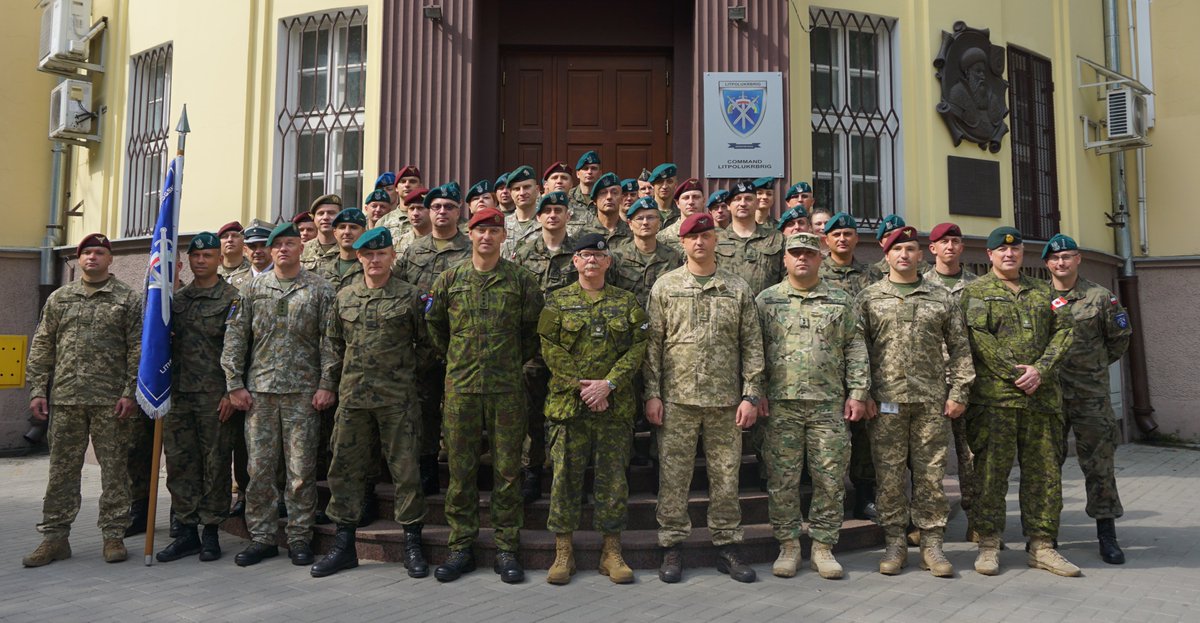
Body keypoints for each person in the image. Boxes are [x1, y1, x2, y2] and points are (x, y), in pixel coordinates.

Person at [644, 213, 764, 584]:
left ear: (716, 240)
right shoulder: (665, 287)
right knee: (674, 476)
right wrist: (652, 393)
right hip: (677, 399)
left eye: (706, 236)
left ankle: (727, 545)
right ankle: (672, 546)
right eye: (692, 237)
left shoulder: (737, 288)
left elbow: (752, 345)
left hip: (726, 401)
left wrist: (751, 395)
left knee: (726, 477)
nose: (700, 242)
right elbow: (653, 348)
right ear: (682, 243)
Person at [426, 207, 543, 584]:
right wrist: (456, 360)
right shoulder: (450, 279)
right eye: (480, 230)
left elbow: (532, 332)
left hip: (506, 388)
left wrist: (509, 361)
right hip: (461, 389)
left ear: (503, 237)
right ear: (469, 234)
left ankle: (506, 547)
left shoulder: (521, 281)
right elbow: (436, 327)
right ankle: (460, 546)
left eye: (494, 231)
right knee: (460, 471)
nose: (487, 237)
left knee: (508, 470)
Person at [311, 227, 433, 579]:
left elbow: (427, 345)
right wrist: (329, 386)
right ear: (359, 257)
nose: (374, 260)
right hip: (353, 399)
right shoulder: (344, 297)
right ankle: (344, 545)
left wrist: (404, 373)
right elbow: (333, 346)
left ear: (393, 256)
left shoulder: (411, 296)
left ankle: (412, 543)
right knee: (344, 470)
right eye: (368, 254)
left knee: (406, 471)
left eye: (381, 253)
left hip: (398, 400)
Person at [856, 226, 975, 577]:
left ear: (921, 255)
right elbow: (858, 351)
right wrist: (864, 394)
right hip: (886, 403)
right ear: (887, 255)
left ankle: (932, 545)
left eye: (910, 249)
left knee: (930, 476)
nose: (904, 255)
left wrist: (958, 393)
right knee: (890, 477)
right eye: (897, 250)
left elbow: (960, 349)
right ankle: (894, 543)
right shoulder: (869, 297)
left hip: (931, 404)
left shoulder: (942, 298)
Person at [962, 226, 1078, 577]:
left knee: (1043, 475)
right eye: (1001, 250)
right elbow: (978, 339)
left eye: (1015, 250)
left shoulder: (1047, 291)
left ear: (1023, 253)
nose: (1009, 254)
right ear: (990, 255)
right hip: (995, 401)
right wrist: (1016, 375)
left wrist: (1040, 370)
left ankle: (1042, 546)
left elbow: (1066, 330)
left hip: (1041, 401)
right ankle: (987, 544)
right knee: (990, 475)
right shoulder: (976, 292)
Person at [221, 222, 338, 568]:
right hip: (260, 393)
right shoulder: (251, 290)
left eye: (290, 243)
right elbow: (235, 338)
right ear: (270, 252)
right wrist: (234, 384)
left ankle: (300, 537)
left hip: (303, 392)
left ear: (301, 248)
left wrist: (327, 383)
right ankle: (262, 537)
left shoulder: (321, 290)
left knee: (301, 470)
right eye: (278, 245)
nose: (284, 249)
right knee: (259, 470)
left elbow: (330, 342)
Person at [23, 233, 141, 567]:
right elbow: (43, 344)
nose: (92, 257)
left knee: (115, 470)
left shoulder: (126, 299)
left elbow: (137, 349)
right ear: (78, 259)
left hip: (110, 401)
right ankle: (55, 538)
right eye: (87, 252)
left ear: (110, 259)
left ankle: (114, 535)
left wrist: (128, 392)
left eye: (99, 252)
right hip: (65, 399)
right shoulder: (61, 298)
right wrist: (37, 390)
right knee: (61, 471)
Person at [756, 232, 868, 580]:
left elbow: (855, 347)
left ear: (820, 258)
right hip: (780, 405)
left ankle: (823, 546)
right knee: (782, 480)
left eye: (808, 253)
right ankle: (788, 545)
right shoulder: (766, 301)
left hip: (828, 405)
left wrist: (859, 392)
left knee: (830, 479)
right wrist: (754, 391)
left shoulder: (839, 300)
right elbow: (753, 351)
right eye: (795, 254)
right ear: (784, 260)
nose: (802, 259)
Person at [538, 233, 648, 585]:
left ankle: (611, 551)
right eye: (584, 255)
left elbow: (638, 347)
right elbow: (548, 347)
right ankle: (563, 552)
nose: (591, 261)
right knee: (564, 479)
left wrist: (608, 385)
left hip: (613, 407)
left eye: (597, 256)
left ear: (608, 262)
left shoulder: (627, 302)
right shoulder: (556, 302)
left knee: (613, 480)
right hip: (569, 406)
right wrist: (584, 388)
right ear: (574, 261)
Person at [1043, 233, 1132, 565]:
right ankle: (1045, 534)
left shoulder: (1100, 298)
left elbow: (1119, 340)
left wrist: (1091, 367)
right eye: (1055, 259)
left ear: (1078, 259)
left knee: (1099, 465)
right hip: (1049, 396)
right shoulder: (1038, 298)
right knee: (1046, 466)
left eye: (1067, 256)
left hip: (1090, 396)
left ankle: (1106, 534)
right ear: (1047, 264)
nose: (1061, 263)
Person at [155, 232, 238, 563]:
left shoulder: (233, 298)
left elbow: (238, 348)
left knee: (215, 464)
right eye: (195, 256)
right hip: (179, 395)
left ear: (220, 258)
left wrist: (233, 390)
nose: (201, 260)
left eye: (208, 255)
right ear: (188, 260)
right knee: (180, 465)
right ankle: (186, 530)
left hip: (214, 397)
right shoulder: (177, 300)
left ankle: (211, 532)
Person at [395, 182, 472, 494]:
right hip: (423, 346)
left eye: (449, 207)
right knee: (424, 410)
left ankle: (459, 470)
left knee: (460, 411)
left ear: (459, 211)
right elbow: (398, 291)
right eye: (437, 206)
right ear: (428, 211)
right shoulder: (414, 250)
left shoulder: (470, 248)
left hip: (460, 346)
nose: (442, 212)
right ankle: (427, 469)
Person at [819, 211, 884, 519]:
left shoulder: (872, 276)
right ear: (826, 240)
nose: (842, 239)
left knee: (863, 434)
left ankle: (864, 494)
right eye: (836, 234)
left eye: (848, 234)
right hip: (827, 366)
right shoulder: (815, 273)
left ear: (857, 239)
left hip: (863, 362)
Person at [514, 190, 578, 502]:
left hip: (569, 349)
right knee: (532, 413)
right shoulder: (523, 253)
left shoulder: (579, 253)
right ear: (538, 217)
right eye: (547, 210)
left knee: (567, 414)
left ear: (568, 215)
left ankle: (563, 476)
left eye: (558, 210)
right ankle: (532, 471)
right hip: (532, 348)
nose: (552, 215)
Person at [924, 222, 979, 534]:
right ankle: (930, 521)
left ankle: (976, 520)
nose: (949, 247)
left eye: (955, 241)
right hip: (929, 380)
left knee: (969, 453)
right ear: (932, 249)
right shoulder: (921, 283)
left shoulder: (977, 287)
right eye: (943, 242)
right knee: (928, 452)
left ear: (962, 247)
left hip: (966, 379)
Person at [717, 179, 785, 295]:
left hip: (766, 309)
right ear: (728, 205)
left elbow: (788, 276)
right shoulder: (716, 239)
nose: (743, 203)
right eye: (737, 199)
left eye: (748, 199)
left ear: (757, 203)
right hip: (727, 308)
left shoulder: (776, 238)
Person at [570, 172, 632, 245]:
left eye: (614, 192)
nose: (609, 197)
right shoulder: (581, 235)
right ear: (594, 201)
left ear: (621, 198)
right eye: (603, 193)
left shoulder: (632, 232)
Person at [314, 208, 367, 290]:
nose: (347, 232)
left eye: (353, 227)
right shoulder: (322, 268)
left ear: (364, 232)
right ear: (335, 233)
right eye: (342, 227)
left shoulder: (370, 267)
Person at [655, 178, 706, 253]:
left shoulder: (714, 234)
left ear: (704, 201)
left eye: (696, 197)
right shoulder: (663, 237)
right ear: (677, 203)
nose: (691, 202)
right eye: (686, 198)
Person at [502, 165, 541, 259]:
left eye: (527, 187)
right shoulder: (501, 225)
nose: (522, 193)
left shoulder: (548, 224)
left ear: (537, 190)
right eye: (516, 189)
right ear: (511, 193)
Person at [301, 194, 344, 270]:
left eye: (331, 213)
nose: (325, 217)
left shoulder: (349, 249)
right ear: (313, 218)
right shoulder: (301, 250)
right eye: (321, 213)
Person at [390, 187, 430, 255]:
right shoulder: (396, 244)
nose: (415, 213)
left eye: (420, 208)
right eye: (411, 209)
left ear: (431, 211)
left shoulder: (442, 242)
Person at [218, 220, 252, 288]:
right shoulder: (211, 273)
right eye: (225, 236)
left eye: (235, 236)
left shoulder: (253, 271)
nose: (230, 240)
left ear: (244, 241)